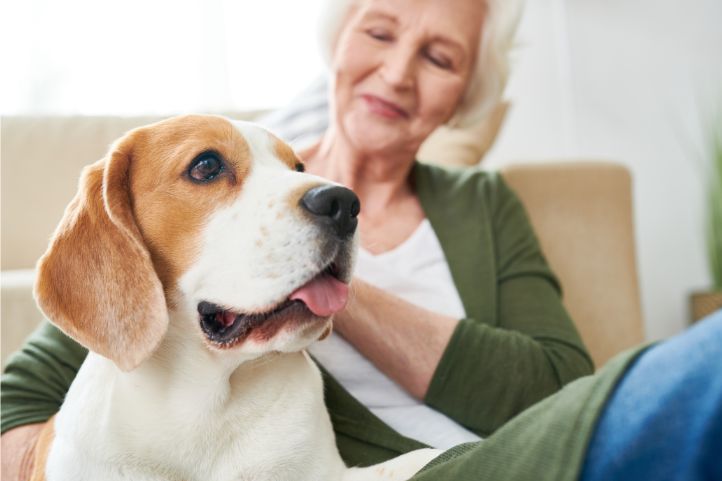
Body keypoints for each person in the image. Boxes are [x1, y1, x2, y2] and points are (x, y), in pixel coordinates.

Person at [4, 0, 719, 479]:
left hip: (503, 454)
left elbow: (562, 387)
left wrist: (327, 283)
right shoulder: (188, 213)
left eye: (440, 58)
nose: (399, 72)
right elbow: (24, 403)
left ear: (464, 95)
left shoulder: (484, 203)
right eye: (380, 31)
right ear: (340, 41)